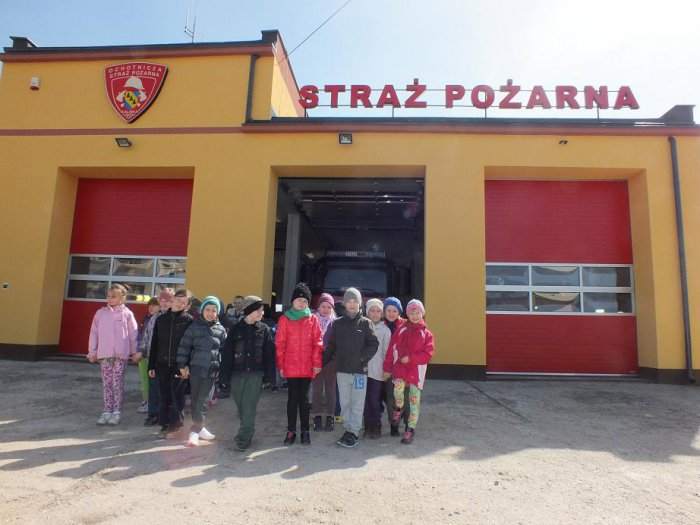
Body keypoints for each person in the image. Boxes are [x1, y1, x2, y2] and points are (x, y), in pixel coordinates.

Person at [324, 287, 378, 448]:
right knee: (345, 402)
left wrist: (362, 358)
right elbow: (331, 346)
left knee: (357, 403)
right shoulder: (337, 324)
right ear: (345, 303)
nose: (352, 304)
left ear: (360, 303)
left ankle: (354, 431)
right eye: (349, 301)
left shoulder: (366, 323)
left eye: (355, 301)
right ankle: (348, 429)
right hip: (342, 371)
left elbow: (373, 344)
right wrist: (321, 363)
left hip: (359, 372)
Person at [225, 296, 276, 451]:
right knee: (241, 406)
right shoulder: (235, 329)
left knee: (249, 407)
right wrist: (224, 376)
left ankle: (244, 437)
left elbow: (269, 355)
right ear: (249, 311)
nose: (262, 313)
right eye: (259, 310)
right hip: (237, 374)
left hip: (255, 375)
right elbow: (227, 354)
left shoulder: (264, 330)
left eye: (262, 310)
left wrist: (270, 377)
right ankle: (246, 427)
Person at [275, 282, 322, 446]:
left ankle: (305, 431)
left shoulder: (313, 319)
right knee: (292, 399)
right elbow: (280, 344)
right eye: (299, 300)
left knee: (304, 400)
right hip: (291, 366)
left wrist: (317, 364)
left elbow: (318, 343)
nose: (301, 303)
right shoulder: (285, 319)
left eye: (305, 301)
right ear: (292, 301)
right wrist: (281, 365)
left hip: (307, 367)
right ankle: (291, 431)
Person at [87, 284, 141, 426]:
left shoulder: (127, 314)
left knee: (117, 383)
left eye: (114, 297)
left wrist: (135, 351)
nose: (110, 299)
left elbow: (133, 334)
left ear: (122, 298)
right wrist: (92, 351)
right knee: (107, 384)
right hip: (104, 355)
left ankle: (116, 412)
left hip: (120, 356)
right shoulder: (100, 313)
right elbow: (94, 333)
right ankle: (107, 411)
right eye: (108, 296)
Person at [177, 296, 227, 447]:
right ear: (202, 311)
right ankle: (199, 428)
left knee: (202, 400)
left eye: (214, 310)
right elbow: (184, 346)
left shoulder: (221, 329)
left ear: (217, 313)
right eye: (208, 310)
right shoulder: (194, 327)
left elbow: (224, 350)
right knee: (195, 399)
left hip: (211, 370)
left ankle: (195, 431)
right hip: (196, 369)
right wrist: (182, 365)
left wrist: (222, 368)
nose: (210, 313)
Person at [383, 299, 435, 444]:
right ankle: (398, 408)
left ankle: (410, 429)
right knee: (397, 390)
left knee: (414, 402)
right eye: (412, 313)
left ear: (422, 314)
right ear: (407, 314)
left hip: (416, 373)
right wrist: (387, 367)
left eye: (417, 313)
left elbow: (428, 354)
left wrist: (411, 358)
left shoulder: (427, 334)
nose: (415, 316)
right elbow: (391, 350)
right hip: (400, 370)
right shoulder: (401, 330)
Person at [148, 289, 193, 438]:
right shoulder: (161, 320)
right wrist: (151, 365)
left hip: (179, 365)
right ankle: (164, 425)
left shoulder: (189, 321)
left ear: (187, 305)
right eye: (178, 300)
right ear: (172, 299)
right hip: (161, 364)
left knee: (177, 397)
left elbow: (191, 346)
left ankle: (176, 426)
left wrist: (187, 366)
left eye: (184, 302)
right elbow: (154, 343)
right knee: (164, 396)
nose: (180, 304)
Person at [138, 288, 174, 425]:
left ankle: (166, 415)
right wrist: (143, 350)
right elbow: (146, 336)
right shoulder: (154, 318)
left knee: (166, 389)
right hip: (153, 359)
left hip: (168, 361)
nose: (164, 303)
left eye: (168, 301)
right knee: (153, 387)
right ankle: (153, 414)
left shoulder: (174, 318)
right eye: (162, 300)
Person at [363, 298, 392, 439]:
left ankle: (376, 426)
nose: (375, 314)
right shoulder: (362, 326)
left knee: (375, 400)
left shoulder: (385, 330)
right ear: (367, 312)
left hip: (378, 372)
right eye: (372, 311)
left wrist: (387, 370)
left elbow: (387, 352)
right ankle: (367, 426)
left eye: (378, 311)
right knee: (364, 400)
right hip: (362, 371)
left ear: (381, 314)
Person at [311, 292, 337, 432]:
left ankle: (330, 417)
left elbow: (338, 344)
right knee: (317, 389)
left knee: (330, 390)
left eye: (328, 307)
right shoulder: (312, 321)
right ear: (318, 307)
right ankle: (317, 416)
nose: (326, 309)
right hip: (315, 361)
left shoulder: (335, 323)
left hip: (331, 362)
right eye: (323, 306)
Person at [383, 297, 407, 436]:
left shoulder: (405, 325)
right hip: (388, 368)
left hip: (403, 368)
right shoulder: (381, 325)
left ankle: (406, 422)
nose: (391, 313)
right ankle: (394, 425)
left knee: (403, 397)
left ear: (399, 312)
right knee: (390, 397)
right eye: (388, 310)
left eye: (394, 311)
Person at [218, 295, 246, 398]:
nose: (237, 305)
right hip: (228, 343)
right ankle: (226, 389)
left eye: (240, 303)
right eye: (236, 303)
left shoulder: (246, 315)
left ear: (243, 304)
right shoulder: (228, 314)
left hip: (241, 344)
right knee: (226, 366)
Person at [136, 297, 160, 415]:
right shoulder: (146, 319)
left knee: (153, 380)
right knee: (144, 380)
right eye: (149, 305)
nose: (151, 308)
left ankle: (151, 402)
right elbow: (141, 336)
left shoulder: (159, 320)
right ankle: (146, 400)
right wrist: (138, 350)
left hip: (153, 356)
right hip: (143, 355)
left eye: (154, 305)